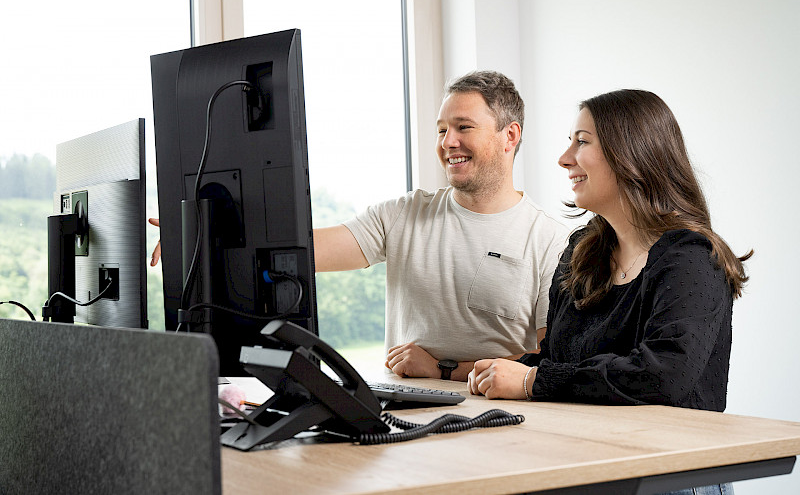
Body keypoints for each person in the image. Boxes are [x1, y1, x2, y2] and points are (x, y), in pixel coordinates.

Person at [150, 71, 569, 382]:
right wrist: (203, 237)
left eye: (463, 127)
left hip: (501, 419)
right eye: (442, 130)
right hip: (406, 413)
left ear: (509, 136)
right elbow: (300, 250)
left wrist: (444, 369)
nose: (447, 143)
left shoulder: (550, 240)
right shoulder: (404, 214)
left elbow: (549, 360)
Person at [467, 89, 750, 494]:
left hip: (670, 477)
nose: (565, 158)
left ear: (631, 153)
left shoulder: (691, 259)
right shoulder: (583, 251)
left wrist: (532, 381)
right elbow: (558, 361)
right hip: (591, 464)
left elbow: (663, 376)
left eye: (582, 142)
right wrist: (489, 374)